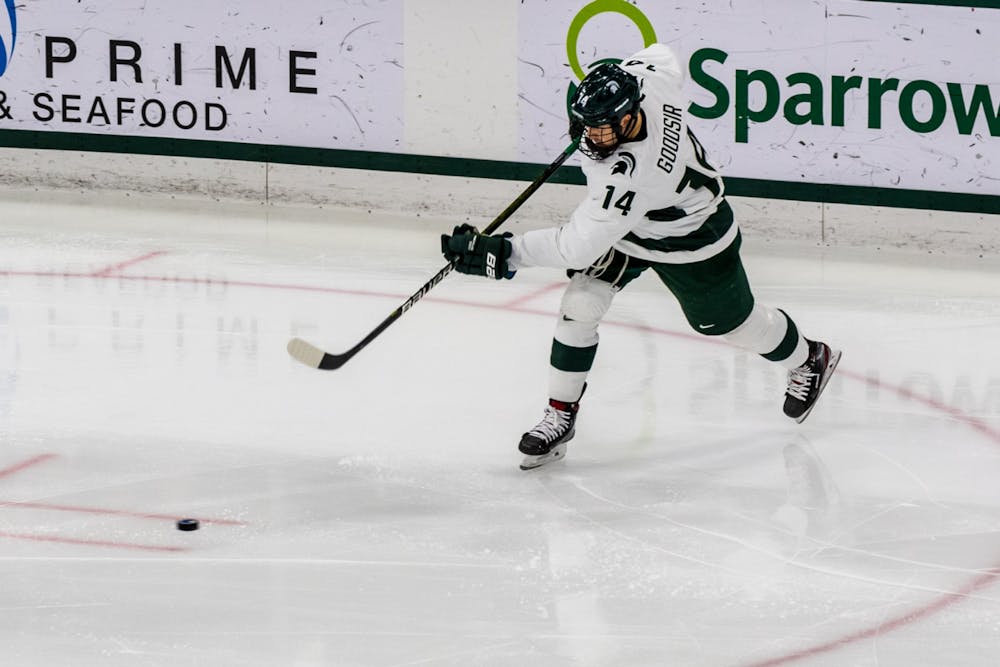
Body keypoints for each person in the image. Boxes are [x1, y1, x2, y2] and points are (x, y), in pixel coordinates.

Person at [441, 44, 841, 470]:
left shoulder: (632, 176)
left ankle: (808, 358)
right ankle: (560, 414)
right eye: (587, 125)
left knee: (733, 325)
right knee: (581, 303)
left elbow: (575, 246)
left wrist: (505, 253)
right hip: (632, 229)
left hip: (691, 236)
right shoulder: (650, 79)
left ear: (629, 118)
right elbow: (664, 52)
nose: (591, 136)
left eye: (602, 129)